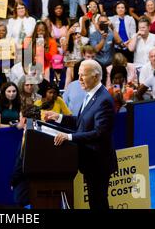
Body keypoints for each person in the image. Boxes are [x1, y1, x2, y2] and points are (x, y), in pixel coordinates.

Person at [45, 59, 117, 209]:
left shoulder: (104, 99)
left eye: (83, 75)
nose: (79, 79)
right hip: (90, 161)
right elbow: (82, 121)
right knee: (95, 201)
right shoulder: (91, 94)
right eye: (79, 75)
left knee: (98, 202)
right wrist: (58, 117)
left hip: (99, 162)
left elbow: (99, 133)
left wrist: (69, 137)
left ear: (96, 76)